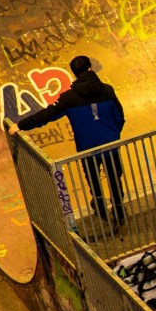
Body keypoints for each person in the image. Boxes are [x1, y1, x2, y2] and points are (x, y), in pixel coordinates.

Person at [9, 54, 126, 231]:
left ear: (75, 73)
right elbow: (119, 116)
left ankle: (100, 204)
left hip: (87, 146)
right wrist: (113, 133)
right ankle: (118, 211)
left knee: (93, 177)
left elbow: (46, 115)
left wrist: (21, 125)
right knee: (114, 177)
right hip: (110, 144)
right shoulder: (107, 90)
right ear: (89, 69)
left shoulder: (69, 98)